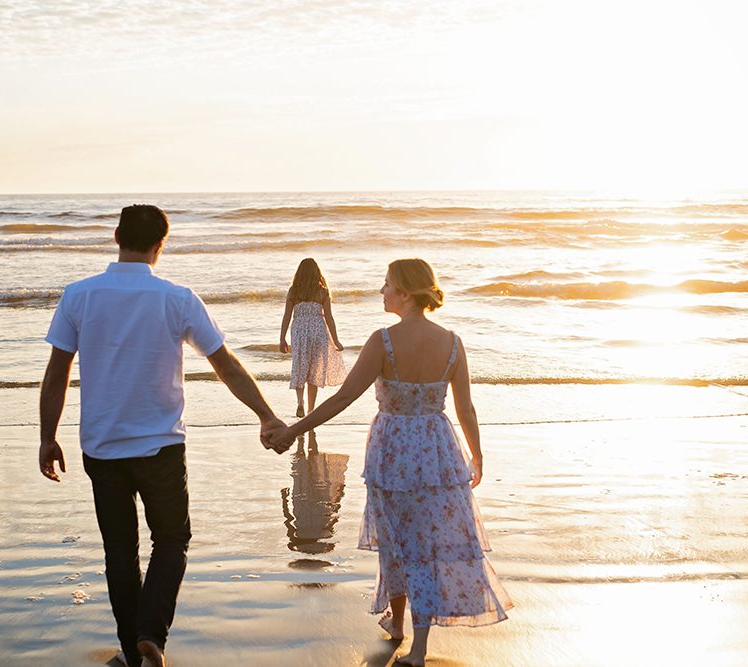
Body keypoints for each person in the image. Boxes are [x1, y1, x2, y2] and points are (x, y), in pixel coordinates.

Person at [39, 204, 290, 667]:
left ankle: (134, 652)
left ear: (116, 235)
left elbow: (57, 373)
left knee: (120, 550)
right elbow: (225, 364)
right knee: (171, 541)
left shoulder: (79, 296)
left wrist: (46, 436)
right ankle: (151, 636)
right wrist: (266, 415)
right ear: (161, 246)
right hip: (161, 445)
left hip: (101, 445)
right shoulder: (176, 298)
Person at [265, 259, 512, 666]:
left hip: (393, 452)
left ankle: (414, 646)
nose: (382, 291)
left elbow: (343, 398)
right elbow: (465, 408)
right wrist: (476, 455)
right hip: (438, 451)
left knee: (398, 541)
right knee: (424, 542)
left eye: (387, 285)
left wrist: (294, 430)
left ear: (406, 293)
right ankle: (402, 630)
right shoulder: (452, 342)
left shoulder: (384, 341)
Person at [279, 258, 347, 417]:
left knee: (300, 367)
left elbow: (287, 316)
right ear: (317, 272)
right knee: (314, 371)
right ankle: (311, 409)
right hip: (318, 332)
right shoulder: (322, 291)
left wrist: (282, 338)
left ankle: (300, 402)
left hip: (299, 332)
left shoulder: (293, 291)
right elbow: (329, 318)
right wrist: (335, 340)